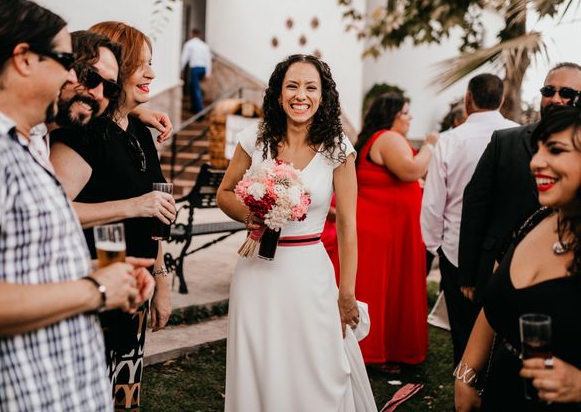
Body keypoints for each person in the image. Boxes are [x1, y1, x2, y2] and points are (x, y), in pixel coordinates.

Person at [0, 0, 150, 410]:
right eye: (66, 61)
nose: (75, 78)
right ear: (23, 59)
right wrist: (95, 289)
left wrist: (103, 273)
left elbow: (17, 266)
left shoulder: (24, 141)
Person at [217, 54, 377, 411]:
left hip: (309, 274)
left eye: (310, 87)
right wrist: (249, 215)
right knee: (260, 363)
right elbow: (224, 193)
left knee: (319, 368)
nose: (300, 95)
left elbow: (349, 226)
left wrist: (346, 292)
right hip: (256, 273)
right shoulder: (254, 139)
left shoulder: (338, 149)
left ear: (323, 97)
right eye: (292, 86)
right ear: (278, 94)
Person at [50, 21, 176, 410]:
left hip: (132, 293)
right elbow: (51, 212)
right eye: (142, 65)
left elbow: (154, 212)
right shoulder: (84, 131)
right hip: (90, 294)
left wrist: (161, 279)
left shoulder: (139, 130)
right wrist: (133, 205)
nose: (152, 74)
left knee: (123, 399)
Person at [455, 105, 581, 411]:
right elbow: (498, 299)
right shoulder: (534, 220)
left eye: (555, 150)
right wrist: (466, 374)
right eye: (537, 150)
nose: (536, 162)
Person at [458, 63, 581, 303]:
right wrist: (468, 274)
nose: (555, 99)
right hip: (499, 267)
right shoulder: (505, 141)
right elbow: (475, 206)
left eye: (566, 93)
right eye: (548, 91)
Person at [421, 74, 518, 367]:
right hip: (508, 251)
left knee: (463, 332)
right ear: (501, 100)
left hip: (455, 249)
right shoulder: (519, 135)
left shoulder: (450, 141)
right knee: (503, 330)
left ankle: (464, 392)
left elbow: (434, 202)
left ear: (468, 99)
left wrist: (435, 245)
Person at [354, 91, 438, 370]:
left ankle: (381, 350)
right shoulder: (388, 138)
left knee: (383, 290)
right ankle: (376, 353)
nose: (410, 117)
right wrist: (429, 145)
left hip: (385, 226)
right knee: (382, 290)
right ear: (391, 115)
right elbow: (410, 170)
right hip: (384, 229)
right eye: (405, 112)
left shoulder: (375, 139)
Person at [180, 28, 212, 113]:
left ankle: (200, 111)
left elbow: (184, 58)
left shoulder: (189, 44)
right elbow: (208, 60)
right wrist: (208, 73)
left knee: (195, 89)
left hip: (195, 69)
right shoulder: (204, 45)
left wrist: (181, 69)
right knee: (194, 88)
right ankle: (195, 107)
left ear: (192, 34)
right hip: (203, 69)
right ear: (199, 35)